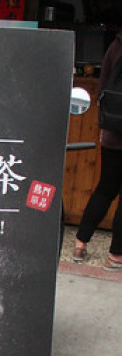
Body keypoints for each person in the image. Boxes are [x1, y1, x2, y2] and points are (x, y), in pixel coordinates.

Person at [73, 31, 122, 271]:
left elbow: (102, 87)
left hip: (113, 131)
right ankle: (116, 257)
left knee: (105, 189)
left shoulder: (117, 44)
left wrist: (104, 123)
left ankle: (80, 244)